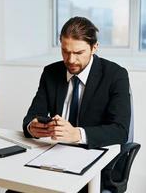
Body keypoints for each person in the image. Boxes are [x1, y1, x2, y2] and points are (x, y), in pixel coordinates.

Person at [21, 16, 131, 193]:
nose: (71, 60)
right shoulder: (51, 72)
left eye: (78, 53)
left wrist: (77, 134)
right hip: (52, 157)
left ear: (94, 47)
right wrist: (32, 127)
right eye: (65, 51)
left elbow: (120, 130)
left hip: (95, 162)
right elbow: (31, 116)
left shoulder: (115, 75)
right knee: (15, 189)